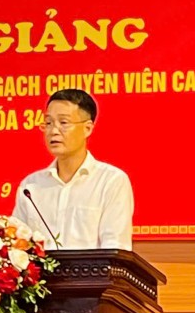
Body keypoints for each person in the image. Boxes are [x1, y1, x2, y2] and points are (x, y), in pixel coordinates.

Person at [12, 89, 133, 250]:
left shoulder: (111, 181)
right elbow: (16, 243)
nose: (53, 131)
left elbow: (116, 248)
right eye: (48, 123)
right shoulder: (31, 186)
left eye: (63, 123)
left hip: (93, 275)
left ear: (87, 128)